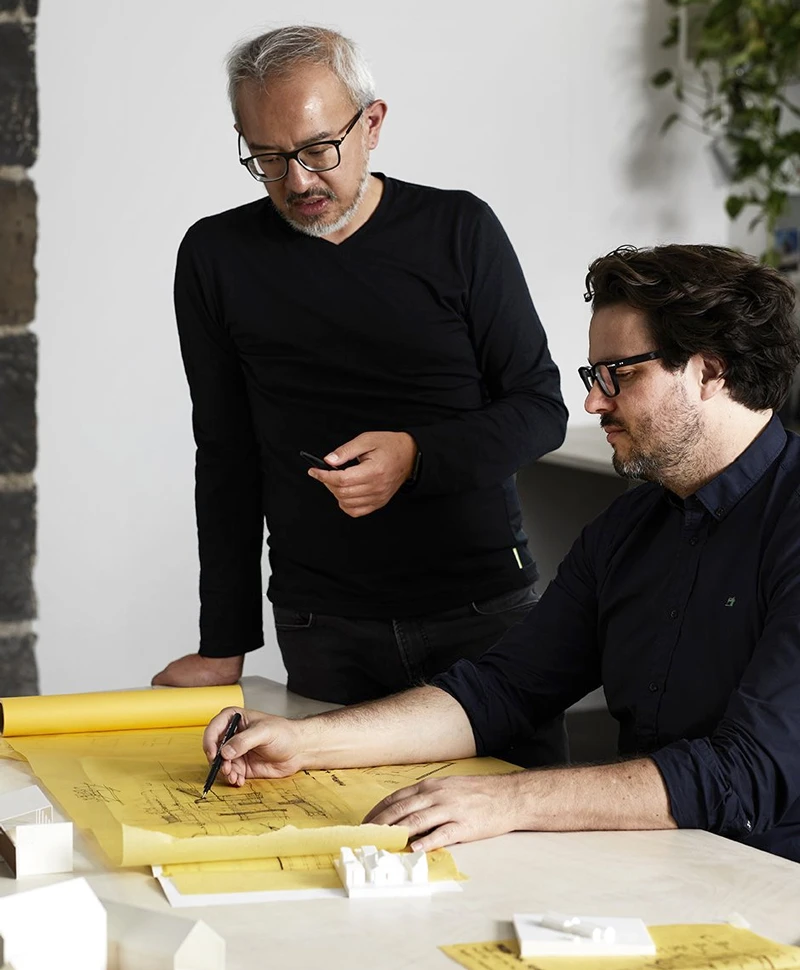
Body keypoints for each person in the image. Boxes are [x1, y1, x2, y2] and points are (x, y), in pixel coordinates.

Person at [202, 243, 800, 864]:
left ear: (709, 372)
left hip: (771, 881)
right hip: (660, 861)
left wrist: (509, 800)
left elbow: (749, 773)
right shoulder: (629, 527)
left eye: (619, 374)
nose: (593, 402)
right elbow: (502, 689)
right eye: (593, 377)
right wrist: (304, 742)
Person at [152, 27, 568, 766]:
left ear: (371, 124)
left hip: (481, 611)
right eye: (268, 158)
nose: (298, 182)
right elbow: (225, 457)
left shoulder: (459, 229)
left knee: (519, 819)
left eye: (319, 150)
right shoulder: (215, 256)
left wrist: (416, 456)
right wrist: (223, 646)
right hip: (323, 624)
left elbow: (541, 409)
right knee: (337, 830)